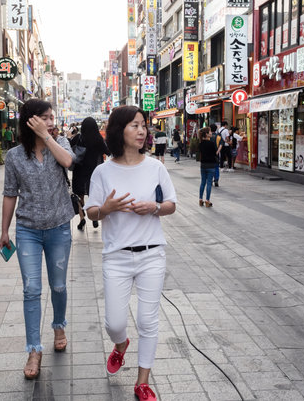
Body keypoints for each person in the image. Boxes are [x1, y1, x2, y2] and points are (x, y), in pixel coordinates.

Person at [84, 106, 176, 401]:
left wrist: (155, 208)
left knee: (149, 322)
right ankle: (120, 345)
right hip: (117, 257)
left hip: (152, 255)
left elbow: (171, 204)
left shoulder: (156, 168)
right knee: (115, 323)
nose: (142, 131)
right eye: (135, 125)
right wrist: (106, 209)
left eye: (144, 126)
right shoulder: (102, 170)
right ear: (119, 130)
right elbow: (91, 212)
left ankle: (142, 381)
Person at [0, 98, 75, 380]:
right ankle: (34, 349)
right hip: (28, 230)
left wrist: (47, 136)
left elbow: (68, 162)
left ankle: (58, 325)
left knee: (57, 285)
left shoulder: (61, 144)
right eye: (46, 117)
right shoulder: (15, 156)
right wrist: (4, 230)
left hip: (59, 227)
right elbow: (10, 194)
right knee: (31, 290)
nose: (52, 121)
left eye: (53, 116)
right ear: (31, 120)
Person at [70, 117, 110, 230]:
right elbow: (108, 151)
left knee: (79, 196)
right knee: (93, 195)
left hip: (79, 170)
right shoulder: (98, 138)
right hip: (94, 172)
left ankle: (82, 218)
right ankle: (94, 218)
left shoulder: (78, 137)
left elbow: (69, 148)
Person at [198, 127, 218, 207]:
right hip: (211, 165)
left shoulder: (200, 144)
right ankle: (207, 200)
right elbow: (215, 153)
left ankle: (200, 199)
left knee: (203, 182)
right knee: (209, 183)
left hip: (203, 165)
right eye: (210, 132)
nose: (211, 133)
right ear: (206, 134)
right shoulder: (212, 143)